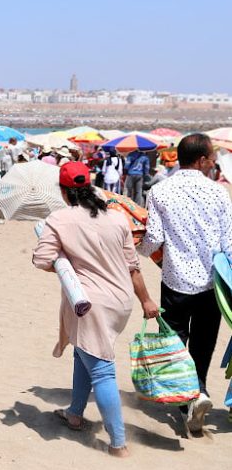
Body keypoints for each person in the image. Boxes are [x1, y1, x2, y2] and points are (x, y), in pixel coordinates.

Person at [33, 162, 159, 458]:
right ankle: (75, 414)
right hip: (122, 300)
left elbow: (41, 259)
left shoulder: (59, 219)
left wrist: (68, 267)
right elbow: (133, 267)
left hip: (89, 303)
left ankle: (118, 444)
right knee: (83, 353)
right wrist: (146, 301)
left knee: (102, 370)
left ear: (64, 192)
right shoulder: (116, 218)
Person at [138, 133, 232, 432]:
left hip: (175, 279)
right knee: (204, 342)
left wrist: (139, 249)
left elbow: (153, 239)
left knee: (176, 342)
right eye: (212, 158)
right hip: (211, 282)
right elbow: (229, 243)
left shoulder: (159, 191)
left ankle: (186, 400)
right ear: (202, 160)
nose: (214, 162)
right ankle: (200, 391)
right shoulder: (219, 193)